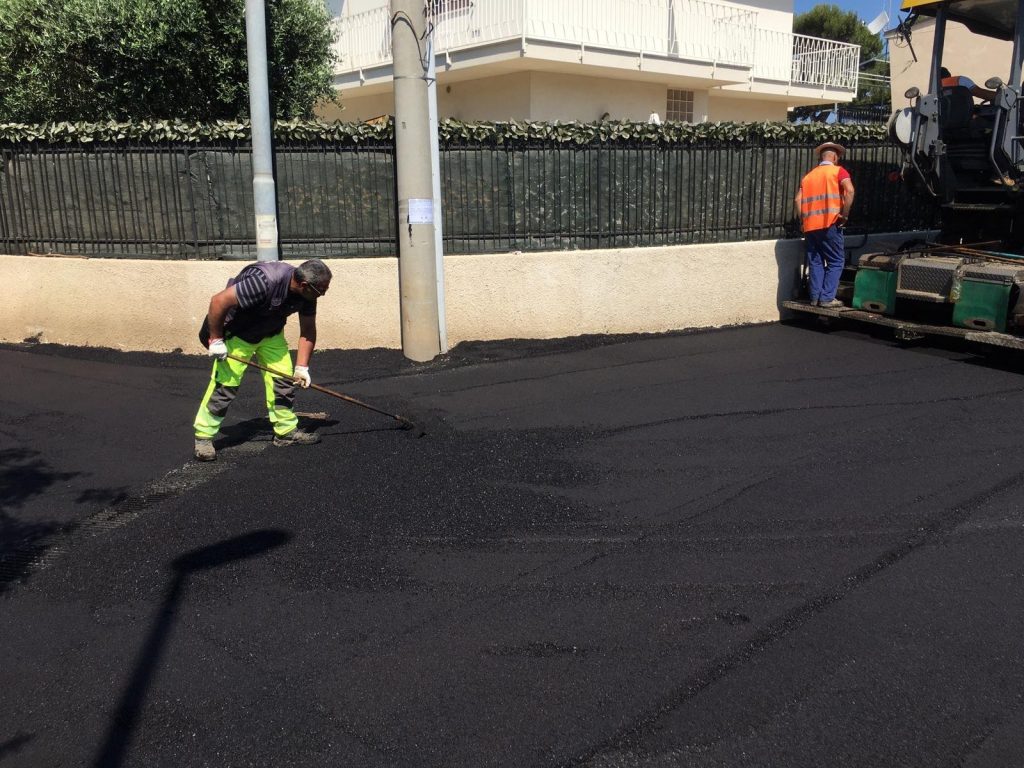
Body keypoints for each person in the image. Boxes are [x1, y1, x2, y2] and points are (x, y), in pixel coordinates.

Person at [192, 259, 333, 461]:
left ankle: (285, 432)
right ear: (304, 285)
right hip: (239, 334)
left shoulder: (308, 293)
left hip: (271, 333)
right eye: (321, 290)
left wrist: (302, 367)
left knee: (283, 381)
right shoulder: (263, 282)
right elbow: (218, 301)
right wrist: (216, 340)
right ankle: (204, 437)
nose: (323, 294)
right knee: (225, 386)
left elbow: (308, 330)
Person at [794, 142, 855, 309]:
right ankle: (827, 298)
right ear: (834, 157)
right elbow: (849, 191)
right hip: (831, 223)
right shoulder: (838, 171)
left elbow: (798, 199)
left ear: (821, 157)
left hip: (811, 227)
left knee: (816, 262)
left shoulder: (808, 176)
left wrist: (803, 221)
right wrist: (845, 214)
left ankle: (815, 297)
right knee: (836, 261)